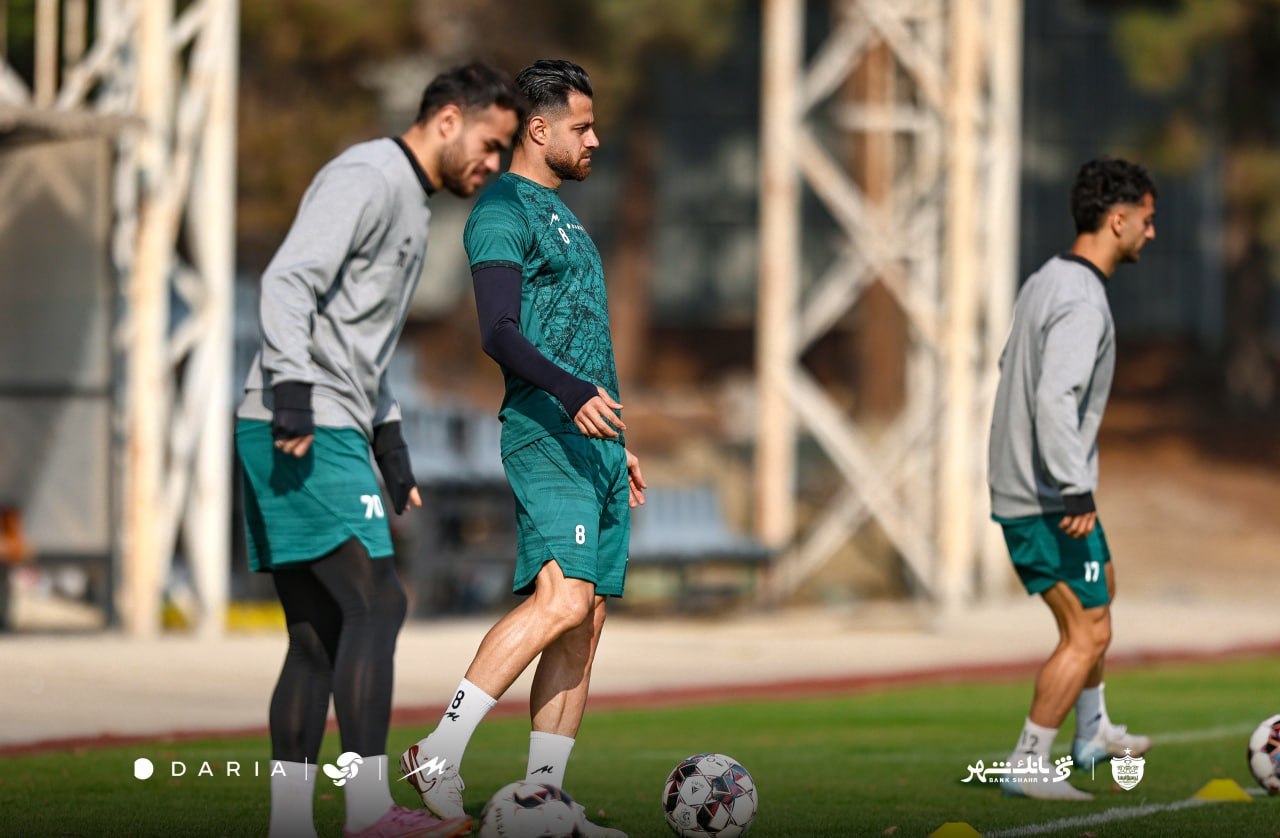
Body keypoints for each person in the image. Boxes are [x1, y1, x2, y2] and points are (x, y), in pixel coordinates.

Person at [235, 63, 522, 838]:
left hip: (326, 419)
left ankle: (289, 825)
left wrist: (389, 437)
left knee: (317, 634)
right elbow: (288, 282)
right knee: (379, 601)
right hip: (304, 422)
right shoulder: (367, 176)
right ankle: (368, 813)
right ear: (447, 120)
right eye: (490, 145)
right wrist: (293, 393)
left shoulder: (410, 204)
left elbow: (359, 340)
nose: (492, 164)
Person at [398, 60, 643, 838]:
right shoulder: (502, 210)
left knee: (585, 620)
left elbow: (582, 339)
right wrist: (571, 397)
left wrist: (618, 440)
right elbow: (498, 332)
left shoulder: (564, 215)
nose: (594, 140)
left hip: (596, 446)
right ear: (538, 130)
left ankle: (545, 803)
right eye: (582, 127)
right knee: (562, 599)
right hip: (545, 434)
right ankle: (438, 751)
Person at [987, 157, 1157, 800]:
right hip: (1046, 498)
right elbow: (1055, 395)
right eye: (1147, 220)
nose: (1151, 233)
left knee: (1101, 587)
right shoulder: (1082, 300)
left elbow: (1011, 364)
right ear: (1118, 220)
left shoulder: (1047, 279)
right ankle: (1029, 762)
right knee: (1087, 633)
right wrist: (1071, 485)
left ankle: (1092, 732)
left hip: (1039, 486)